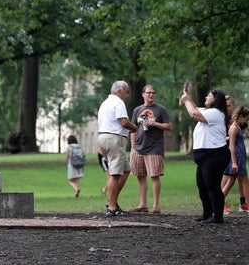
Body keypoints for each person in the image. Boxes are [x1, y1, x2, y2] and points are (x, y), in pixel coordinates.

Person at [179, 86, 230, 224]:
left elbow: (194, 114)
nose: (206, 97)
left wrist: (186, 100)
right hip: (204, 157)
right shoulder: (208, 111)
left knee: (212, 187)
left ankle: (217, 217)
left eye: (209, 96)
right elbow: (195, 109)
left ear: (216, 100)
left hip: (214, 155)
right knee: (202, 187)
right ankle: (207, 214)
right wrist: (187, 96)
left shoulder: (216, 113)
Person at [129, 85, 173, 214]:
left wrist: (155, 123)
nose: (151, 95)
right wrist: (133, 147)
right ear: (143, 94)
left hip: (154, 148)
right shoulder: (137, 110)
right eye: (148, 93)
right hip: (138, 148)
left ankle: (156, 205)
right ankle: (143, 204)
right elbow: (133, 129)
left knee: (154, 176)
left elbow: (169, 126)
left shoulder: (160, 110)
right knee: (140, 176)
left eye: (153, 93)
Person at [97, 80, 138, 217]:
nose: (127, 95)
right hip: (115, 138)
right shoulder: (118, 103)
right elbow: (123, 122)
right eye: (126, 92)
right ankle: (112, 207)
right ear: (119, 91)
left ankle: (112, 202)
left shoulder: (105, 103)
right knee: (115, 173)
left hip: (103, 137)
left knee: (126, 169)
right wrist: (135, 128)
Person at [221, 105, 249, 214]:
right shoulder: (233, 128)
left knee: (231, 182)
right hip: (236, 159)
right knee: (246, 181)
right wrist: (234, 162)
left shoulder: (238, 127)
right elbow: (231, 145)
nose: (245, 122)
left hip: (240, 158)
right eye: (246, 119)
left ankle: (217, 202)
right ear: (241, 116)